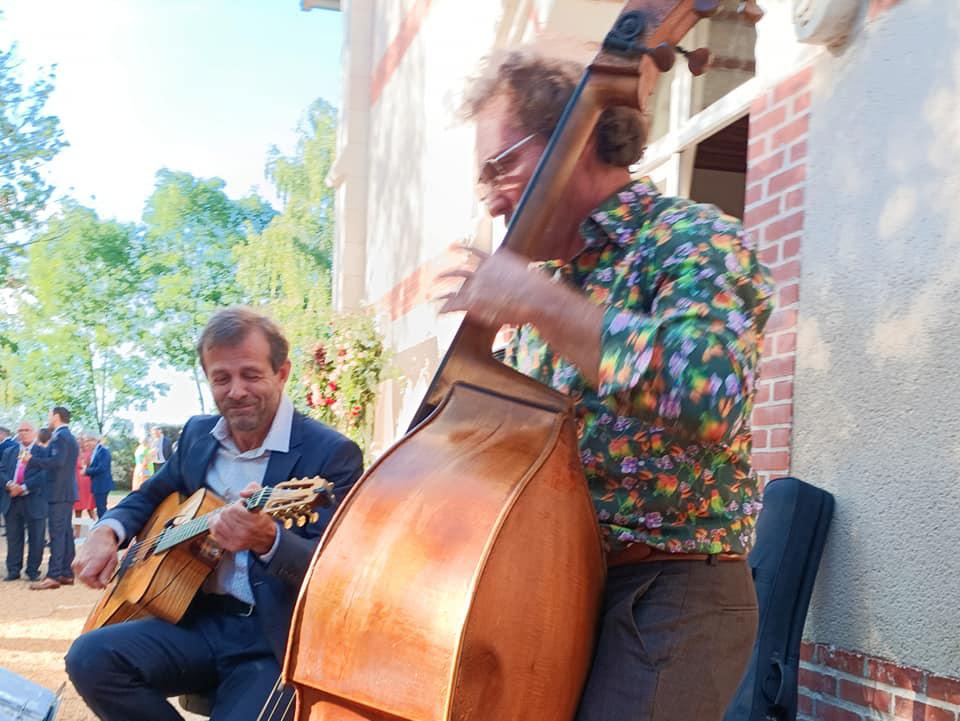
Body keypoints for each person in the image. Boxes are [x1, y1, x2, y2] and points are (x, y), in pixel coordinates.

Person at [438, 50, 774, 721]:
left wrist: (540, 305)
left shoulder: (692, 240)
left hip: (673, 587)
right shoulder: (552, 289)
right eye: (485, 180)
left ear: (574, 137)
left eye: (501, 165)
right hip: (563, 588)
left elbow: (711, 392)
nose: (495, 196)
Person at [66, 307, 364, 721]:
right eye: (221, 378)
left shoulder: (330, 453)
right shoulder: (196, 435)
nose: (236, 390)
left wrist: (268, 540)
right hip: (197, 621)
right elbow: (151, 494)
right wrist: (107, 532)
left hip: (272, 639)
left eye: (251, 374)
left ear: (282, 373)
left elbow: (338, 576)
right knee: (90, 657)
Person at [24, 406, 80, 590]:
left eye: (49, 415)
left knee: (57, 534)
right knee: (65, 534)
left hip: (58, 492)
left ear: (56, 416)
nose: (48, 419)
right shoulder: (68, 437)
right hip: (65, 492)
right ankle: (66, 572)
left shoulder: (60, 437)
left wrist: (31, 460)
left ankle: (54, 575)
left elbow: (57, 462)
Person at [0, 421, 50, 581]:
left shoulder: (43, 452)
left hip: (34, 499)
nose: (23, 433)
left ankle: (32, 571)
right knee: (14, 537)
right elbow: (1, 471)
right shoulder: (9, 451)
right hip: (12, 499)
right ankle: (13, 570)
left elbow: (45, 475)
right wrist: (9, 484)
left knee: (36, 538)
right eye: (20, 430)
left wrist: (24, 487)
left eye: (27, 430)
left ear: (34, 432)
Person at [84, 435, 114, 519]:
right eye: (86, 441)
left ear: (95, 440)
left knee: (101, 508)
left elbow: (102, 468)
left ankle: (103, 525)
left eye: (89, 440)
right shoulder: (96, 451)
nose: (87, 443)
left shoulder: (103, 451)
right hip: (98, 484)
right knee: (100, 508)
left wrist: (87, 471)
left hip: (102, 484)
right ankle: (102, 524)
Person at [73, 435, 96, 529]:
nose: (79, 442)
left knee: (90, 508)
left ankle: (96, 529)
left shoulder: (89, 453)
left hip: (87, 483)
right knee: (77, 510)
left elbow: (92, 467)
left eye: (80, 440)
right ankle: (77, 533)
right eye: (77, 440)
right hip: (77, 483)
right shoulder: (73, 454)